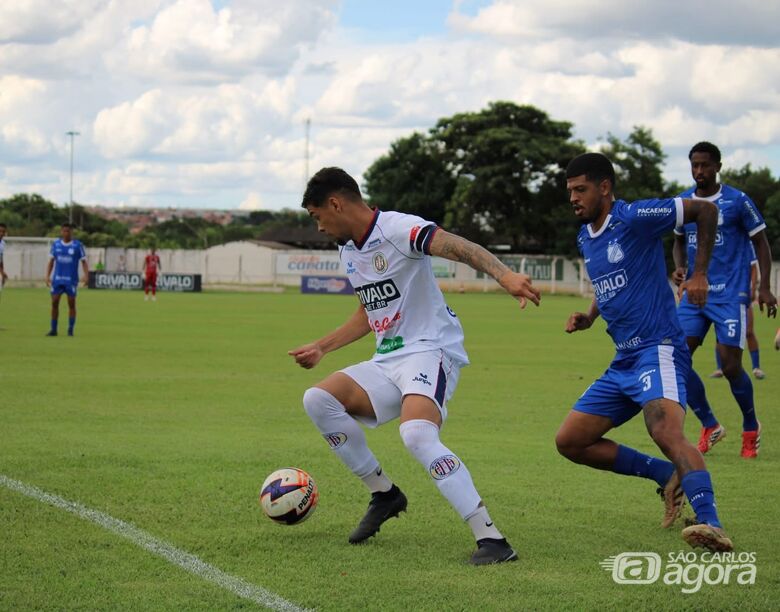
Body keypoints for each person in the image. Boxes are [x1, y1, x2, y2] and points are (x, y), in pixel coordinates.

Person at [288, 167, 540, 565]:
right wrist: (322, 347)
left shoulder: (398, 229)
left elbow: (458, 245)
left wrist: (504, 275)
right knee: (318, 400)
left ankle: (492, 540)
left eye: (317, 216)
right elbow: (369, 312)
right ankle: (384, 494)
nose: (318, 227)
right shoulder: (348, 250)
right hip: (388, 358)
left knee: (417, 434)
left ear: (335, 203)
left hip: (431, 348)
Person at [557, 152, 732, 552]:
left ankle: (711, 522)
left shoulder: (634, 217)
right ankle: (665, 474)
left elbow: (705, 211)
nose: (573, 198)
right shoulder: (586, 236)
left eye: (580, 189)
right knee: (570, 440)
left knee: (665, 430)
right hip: (623, 361)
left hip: (659, 348)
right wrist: (589, 316)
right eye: (570, 191)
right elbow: (610, 281)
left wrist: (699, 272)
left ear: (604, 187)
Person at [672, 142, 777, 458]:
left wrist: (765, 287)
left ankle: (750, 426)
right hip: (694, 295)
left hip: (730, 294)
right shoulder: (684, 202)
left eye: (705, 165)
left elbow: (761, 243)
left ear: (718, 166)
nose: (699, 171)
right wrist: (679, 267)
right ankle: (710, 425)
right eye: (694, 165)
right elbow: (678, 241)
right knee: (675, 358)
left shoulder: (738, 201)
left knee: (731, 366)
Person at [709, 251, 764, 380]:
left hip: (740, 294)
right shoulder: (717, 250)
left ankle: (756, 367)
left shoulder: (744, 245)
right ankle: (720, 368)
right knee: (720, 334)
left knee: (749, 332)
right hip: (723, 295)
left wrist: (753, 289)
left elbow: (753, 267)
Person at [45, 223, 88, 337]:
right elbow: (51, 261)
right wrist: (47, 276)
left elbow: (84, 262)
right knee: (54, 302)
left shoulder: (77, 245)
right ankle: (53, 329)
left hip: (71, 280)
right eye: (64, 231)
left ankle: (70, 329)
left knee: (71, 303)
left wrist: (86, 276)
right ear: (61, 232)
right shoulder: (56, 244)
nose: (66, 233)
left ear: (71, 232)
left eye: (68, 231)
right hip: (57, 279)